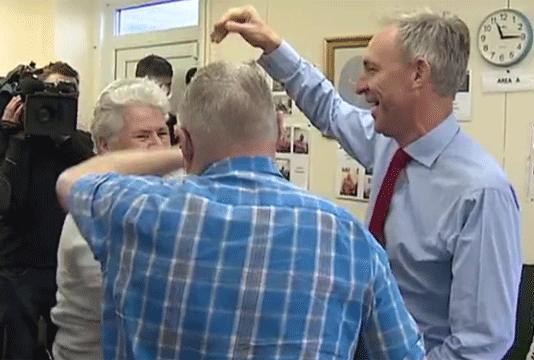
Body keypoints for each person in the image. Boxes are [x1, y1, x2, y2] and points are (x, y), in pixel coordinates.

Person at [55, 61, 424, 359]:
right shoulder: (348, 238)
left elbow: (71, 182)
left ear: (183, 141)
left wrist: (182, 152)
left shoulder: (136, 213)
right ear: (280, 131)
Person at [213, 5, 522, 359]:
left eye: (371, 70)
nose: (360, 86)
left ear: (418, 74)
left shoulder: (482, 194)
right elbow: (329, 108)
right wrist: (272, 46)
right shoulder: (388, 145)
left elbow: (481, 343)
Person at [50, 78, 172, 360]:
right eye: (143, 137)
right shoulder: (91, 210)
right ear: (105, 146)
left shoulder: (165, 191)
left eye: (162, 133)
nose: (157, 146)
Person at [0, 61, 94, 359]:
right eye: (49, 92)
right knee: (19, 348)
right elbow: (8, 203)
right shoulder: (10, 139)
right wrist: (13, 137)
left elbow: (91, 171)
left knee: (66, 348)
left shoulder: (79, 141)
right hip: (18, 266)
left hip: (65, 265)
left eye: (66, 92)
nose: (56, 100)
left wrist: (61, 136)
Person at [135, 54, 179, 145]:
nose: (165, 91)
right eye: (159, 85)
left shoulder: (175, 123)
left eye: (168, 85)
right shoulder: (126, 120)